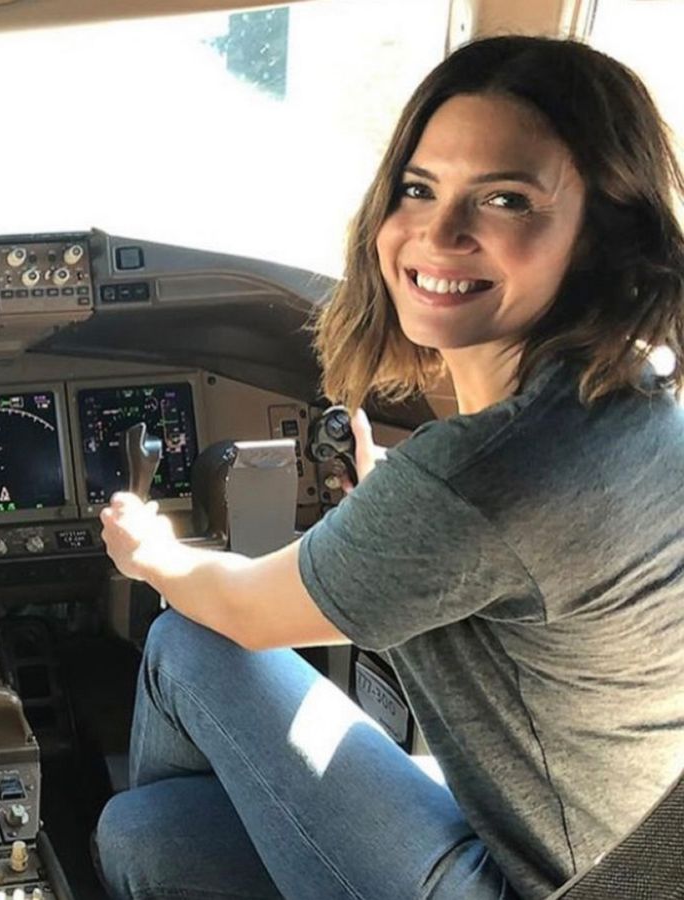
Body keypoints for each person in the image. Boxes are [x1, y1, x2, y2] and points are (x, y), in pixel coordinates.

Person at [94, 35, 684, 900]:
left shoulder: (491, 471)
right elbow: (492, 548)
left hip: (545, 885)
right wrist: (384, 509)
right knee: (145, 836)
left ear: (600, 232)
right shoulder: (635, 395)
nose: (440, 233)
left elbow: (247, 614)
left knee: (186, 638)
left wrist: (149, 553)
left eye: (506, 199)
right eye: (419, 188)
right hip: (613, 861)